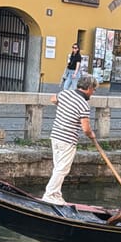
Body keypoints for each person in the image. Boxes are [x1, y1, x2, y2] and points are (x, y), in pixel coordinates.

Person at [42, 74, 99, 205]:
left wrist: (64, 107)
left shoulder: (64, 94)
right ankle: (50, 194)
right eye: (94, 89)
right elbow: (86, 129)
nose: (94, 92)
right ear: (89, 88)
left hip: (55, 135)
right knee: (62, 169)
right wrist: (92, 135)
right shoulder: (83, 105)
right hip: (67, 139)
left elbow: (52, 99)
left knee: (58, 167)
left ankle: (56, 194)